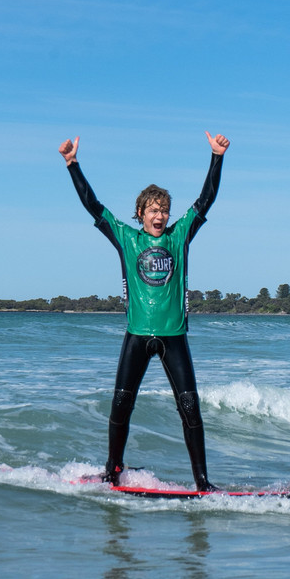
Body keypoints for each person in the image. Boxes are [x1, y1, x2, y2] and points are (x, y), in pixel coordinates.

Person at [59, 130, 231, 491]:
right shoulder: (127, 238)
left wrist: (217, 157)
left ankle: (203, 483)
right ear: (140, 214)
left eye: (164, 210)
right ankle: (112, 472)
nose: (161, 215)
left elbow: (206, 200)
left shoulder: (179, 236)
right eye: (154, 210)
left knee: (190, 409)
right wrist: (72, 164)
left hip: (174, 337)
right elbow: (94, 205)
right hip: (138, 335)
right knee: (121, 406)